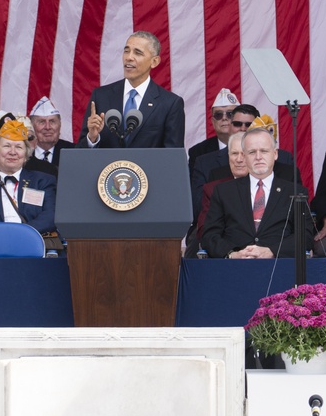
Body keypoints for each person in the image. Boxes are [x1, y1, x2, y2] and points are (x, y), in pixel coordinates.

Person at [201, 124, 298, 258]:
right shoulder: (223, 191)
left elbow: (305, 235)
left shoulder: (295, 191)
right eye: (252, 152)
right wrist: (232, 254)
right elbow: (210, 235)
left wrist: (272, 251)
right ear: (245, 156)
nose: (258, 157)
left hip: (279, 266)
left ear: (275, 154)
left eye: (264, 151)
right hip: (235, 267)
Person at [78, 31, 185, 149]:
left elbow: (172, 157)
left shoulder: (170, 104)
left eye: (137, 53)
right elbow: (80, 153)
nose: (129, 57)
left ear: (154, 62)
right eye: (126, 51)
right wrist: (92, 138)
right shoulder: (101, 96)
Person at [187, 88, 240, 172]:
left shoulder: (253, 147)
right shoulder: (198, 152)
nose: (224, 118)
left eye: (230, 114)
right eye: (218, 115)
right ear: (213, 122)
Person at [25, 96, 74, 170]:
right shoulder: (22, 153)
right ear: (32, 126)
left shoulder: (72, 151)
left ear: (60, 125)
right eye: (42, 122)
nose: (47, 127)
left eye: (52, 121)